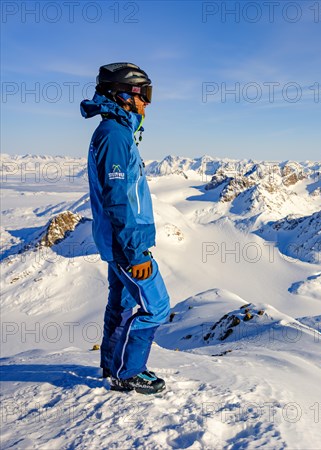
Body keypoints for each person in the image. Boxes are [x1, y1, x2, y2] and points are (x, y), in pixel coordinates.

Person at [81, 62, 170, 395]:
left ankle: (111, 364)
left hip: (116, 240)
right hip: (126, 244)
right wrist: (135, 252)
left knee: (120, 305)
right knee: (156, 306)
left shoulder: (115, 132)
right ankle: (128, 371)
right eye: (144, 95)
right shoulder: (115, 136)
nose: (147, 103)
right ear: (124, 95)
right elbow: (118, 199)